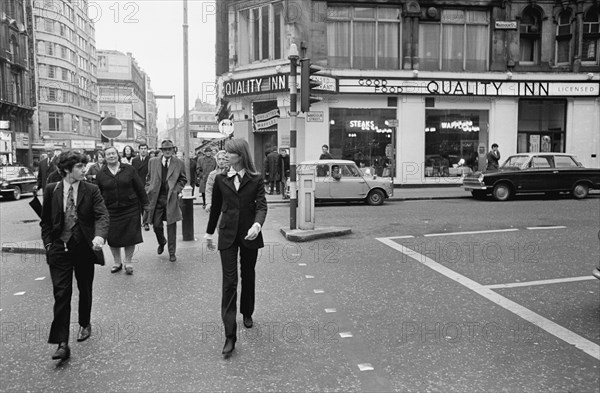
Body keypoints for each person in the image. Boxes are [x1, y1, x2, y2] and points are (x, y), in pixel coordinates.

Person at [40, 151, 109, 361]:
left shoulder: (91, 189)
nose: (83, 170)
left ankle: (84, 323)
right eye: (79, 166)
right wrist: (49, 245)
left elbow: (102, 215)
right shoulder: (52, 190)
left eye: (83, 166)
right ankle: (62, 343)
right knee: (61, 294)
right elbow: (45, 222)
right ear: (67, 170)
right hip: (60, 247)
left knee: (85, 287)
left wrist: (99, 237)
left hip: (83, 246)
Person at [204, 138, 267, 357]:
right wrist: (209, 233)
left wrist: (257, 225)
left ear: (240, 156)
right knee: (229, 282)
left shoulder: (256, 179)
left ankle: (247, 311)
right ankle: (230, 335)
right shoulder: (221, 179)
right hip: (228, 234)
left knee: (248, 274)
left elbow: (262, 206)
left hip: (250, 234)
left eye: (229, 153)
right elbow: (216, 209)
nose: (225, 156)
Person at [96, 146, 149, 275]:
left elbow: (139, 187)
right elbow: (97, 193)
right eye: (108, 154)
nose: (111, 156)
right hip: (111, 210)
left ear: (118, 155)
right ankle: (117, 262)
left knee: (130, 236)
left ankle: (128, 262)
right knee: (113, 237)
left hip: (130, 208)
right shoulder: (101, 173)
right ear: (105, 157)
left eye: (113, 153)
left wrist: (146, 204)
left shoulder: (129, 169)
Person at [145, 140, 187, 262]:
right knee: (156, 225)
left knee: (171, 226)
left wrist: (176, 190)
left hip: (170, 198)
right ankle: (162, 241)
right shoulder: (153, 162)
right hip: (156, 198)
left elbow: (183, 179)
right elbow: (148, 177)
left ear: (173, 150)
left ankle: (172, 252)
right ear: (162, 151)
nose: (168, 151)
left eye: (170, 149)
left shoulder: (179, 163)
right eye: (165, 149)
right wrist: (148, 188)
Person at [132, 143, 151, 230]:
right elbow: (133, 173)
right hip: (137, 185)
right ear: (139, 150)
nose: (143, 150)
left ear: (147, 150)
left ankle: (146, 222)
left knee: (146, 204)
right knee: (137, 205)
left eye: (145, 148)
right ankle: (138, 222)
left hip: (147, 184)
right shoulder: (135, 160)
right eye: (141, 148)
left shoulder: (150, 160)